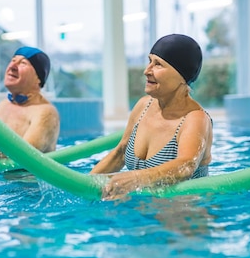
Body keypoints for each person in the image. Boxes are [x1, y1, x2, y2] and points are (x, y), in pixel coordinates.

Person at [90, 34, 213, 200]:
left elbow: (186, 165)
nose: (147, 71)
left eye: (158, 64)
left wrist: (135, 179)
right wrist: (84, 186)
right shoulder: (143, 106)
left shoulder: (195, 119)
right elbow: (121, 153)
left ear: (181, 75)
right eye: (149, 61)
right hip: (142, 215)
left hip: (183, 217)